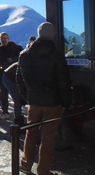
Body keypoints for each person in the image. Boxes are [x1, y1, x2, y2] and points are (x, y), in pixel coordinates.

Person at [17, 22, 72, 175]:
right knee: (47, 137)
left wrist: (27, 97)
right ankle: (43, 170)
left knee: (31, 132)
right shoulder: (56, 55)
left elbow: (19, 80)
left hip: (33, 101)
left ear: (38, 34)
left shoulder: (24, 54)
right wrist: (66, 102)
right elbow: (64, 82)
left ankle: (26, 164)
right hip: (53, 103)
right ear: (53, 35)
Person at [0, 32, 23, 120]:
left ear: (8, 39)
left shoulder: (16, 48)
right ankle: (5, 112)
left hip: (15, 75)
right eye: (2, 38)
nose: (4, 40)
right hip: (3, 75)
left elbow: (22, 57)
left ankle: (18, 114)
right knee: (3, 95)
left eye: (5, 38)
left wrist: (13, 59)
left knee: (16, 95)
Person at [2, 62, 24, 126]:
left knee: (19, 100)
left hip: (13, 76)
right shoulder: (27, 64)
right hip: (9, 77)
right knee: (17, 100)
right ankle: (18, 121)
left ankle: (18, 118)